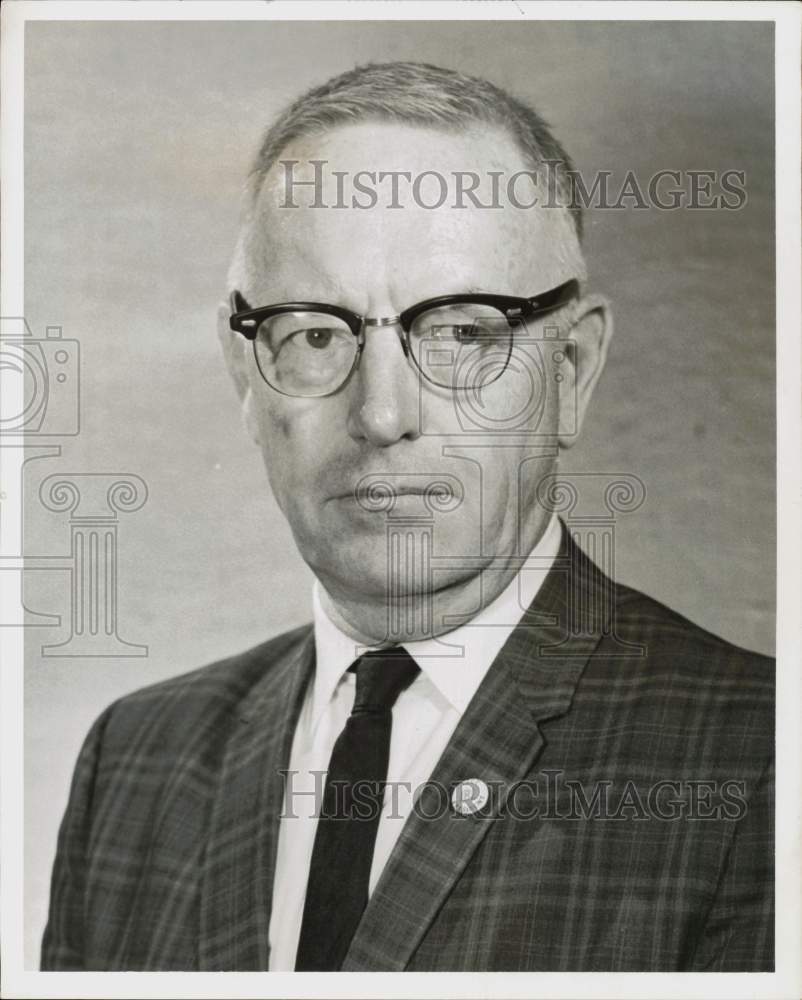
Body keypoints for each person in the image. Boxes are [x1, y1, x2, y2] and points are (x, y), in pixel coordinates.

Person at [41, 61, 773, 972]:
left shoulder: (756, 762)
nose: (383, 416)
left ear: (572, 371)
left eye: (463, 332)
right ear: (246, 378)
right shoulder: (135, 759)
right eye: (314, 333)